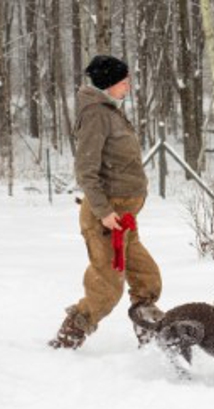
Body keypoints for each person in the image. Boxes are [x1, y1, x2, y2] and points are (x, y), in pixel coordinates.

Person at [49, 55, 163, 350]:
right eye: (123, 81)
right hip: (107, 218)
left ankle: (148, 327)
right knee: (107, 286)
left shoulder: (110, 111)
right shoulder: (97, 114)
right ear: (109, 83)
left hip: (125, 218)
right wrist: (103, 211)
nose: (128, 86)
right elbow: (86, 170)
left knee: (147, 277)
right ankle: (69, 335)